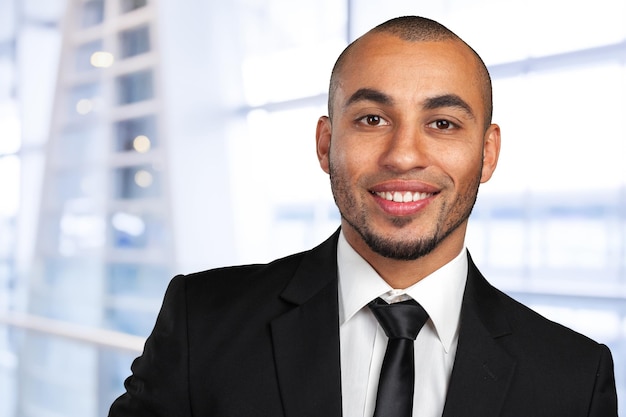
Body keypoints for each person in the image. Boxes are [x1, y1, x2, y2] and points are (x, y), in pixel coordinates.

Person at [109, 16, 618, 417]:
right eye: (373, 119)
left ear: (487, 154)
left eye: (442, 123)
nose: (402, 155)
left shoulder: (574, 376)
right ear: (326, 143)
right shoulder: (202, 322)